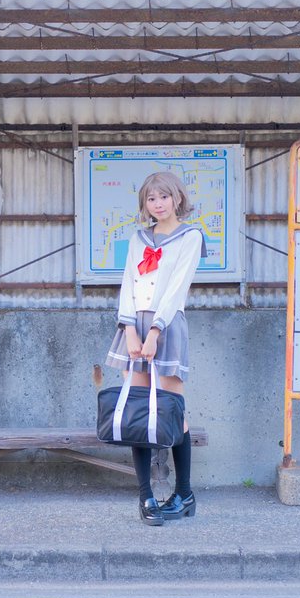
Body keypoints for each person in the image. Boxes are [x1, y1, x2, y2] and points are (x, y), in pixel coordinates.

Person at [105, 171, 205, 526]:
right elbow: (128, 284)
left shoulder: (191, 237)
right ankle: (146, 496)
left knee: (173, 411)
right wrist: (130, 330)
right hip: (134, 327)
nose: (158, 204)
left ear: (177, 198)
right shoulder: (138, 239)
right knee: (139, 410)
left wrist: (155, 333)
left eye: (164, 197)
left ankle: (184, 494)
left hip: (168, 326)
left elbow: (177, 288)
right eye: (151, 198)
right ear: (144, 204)